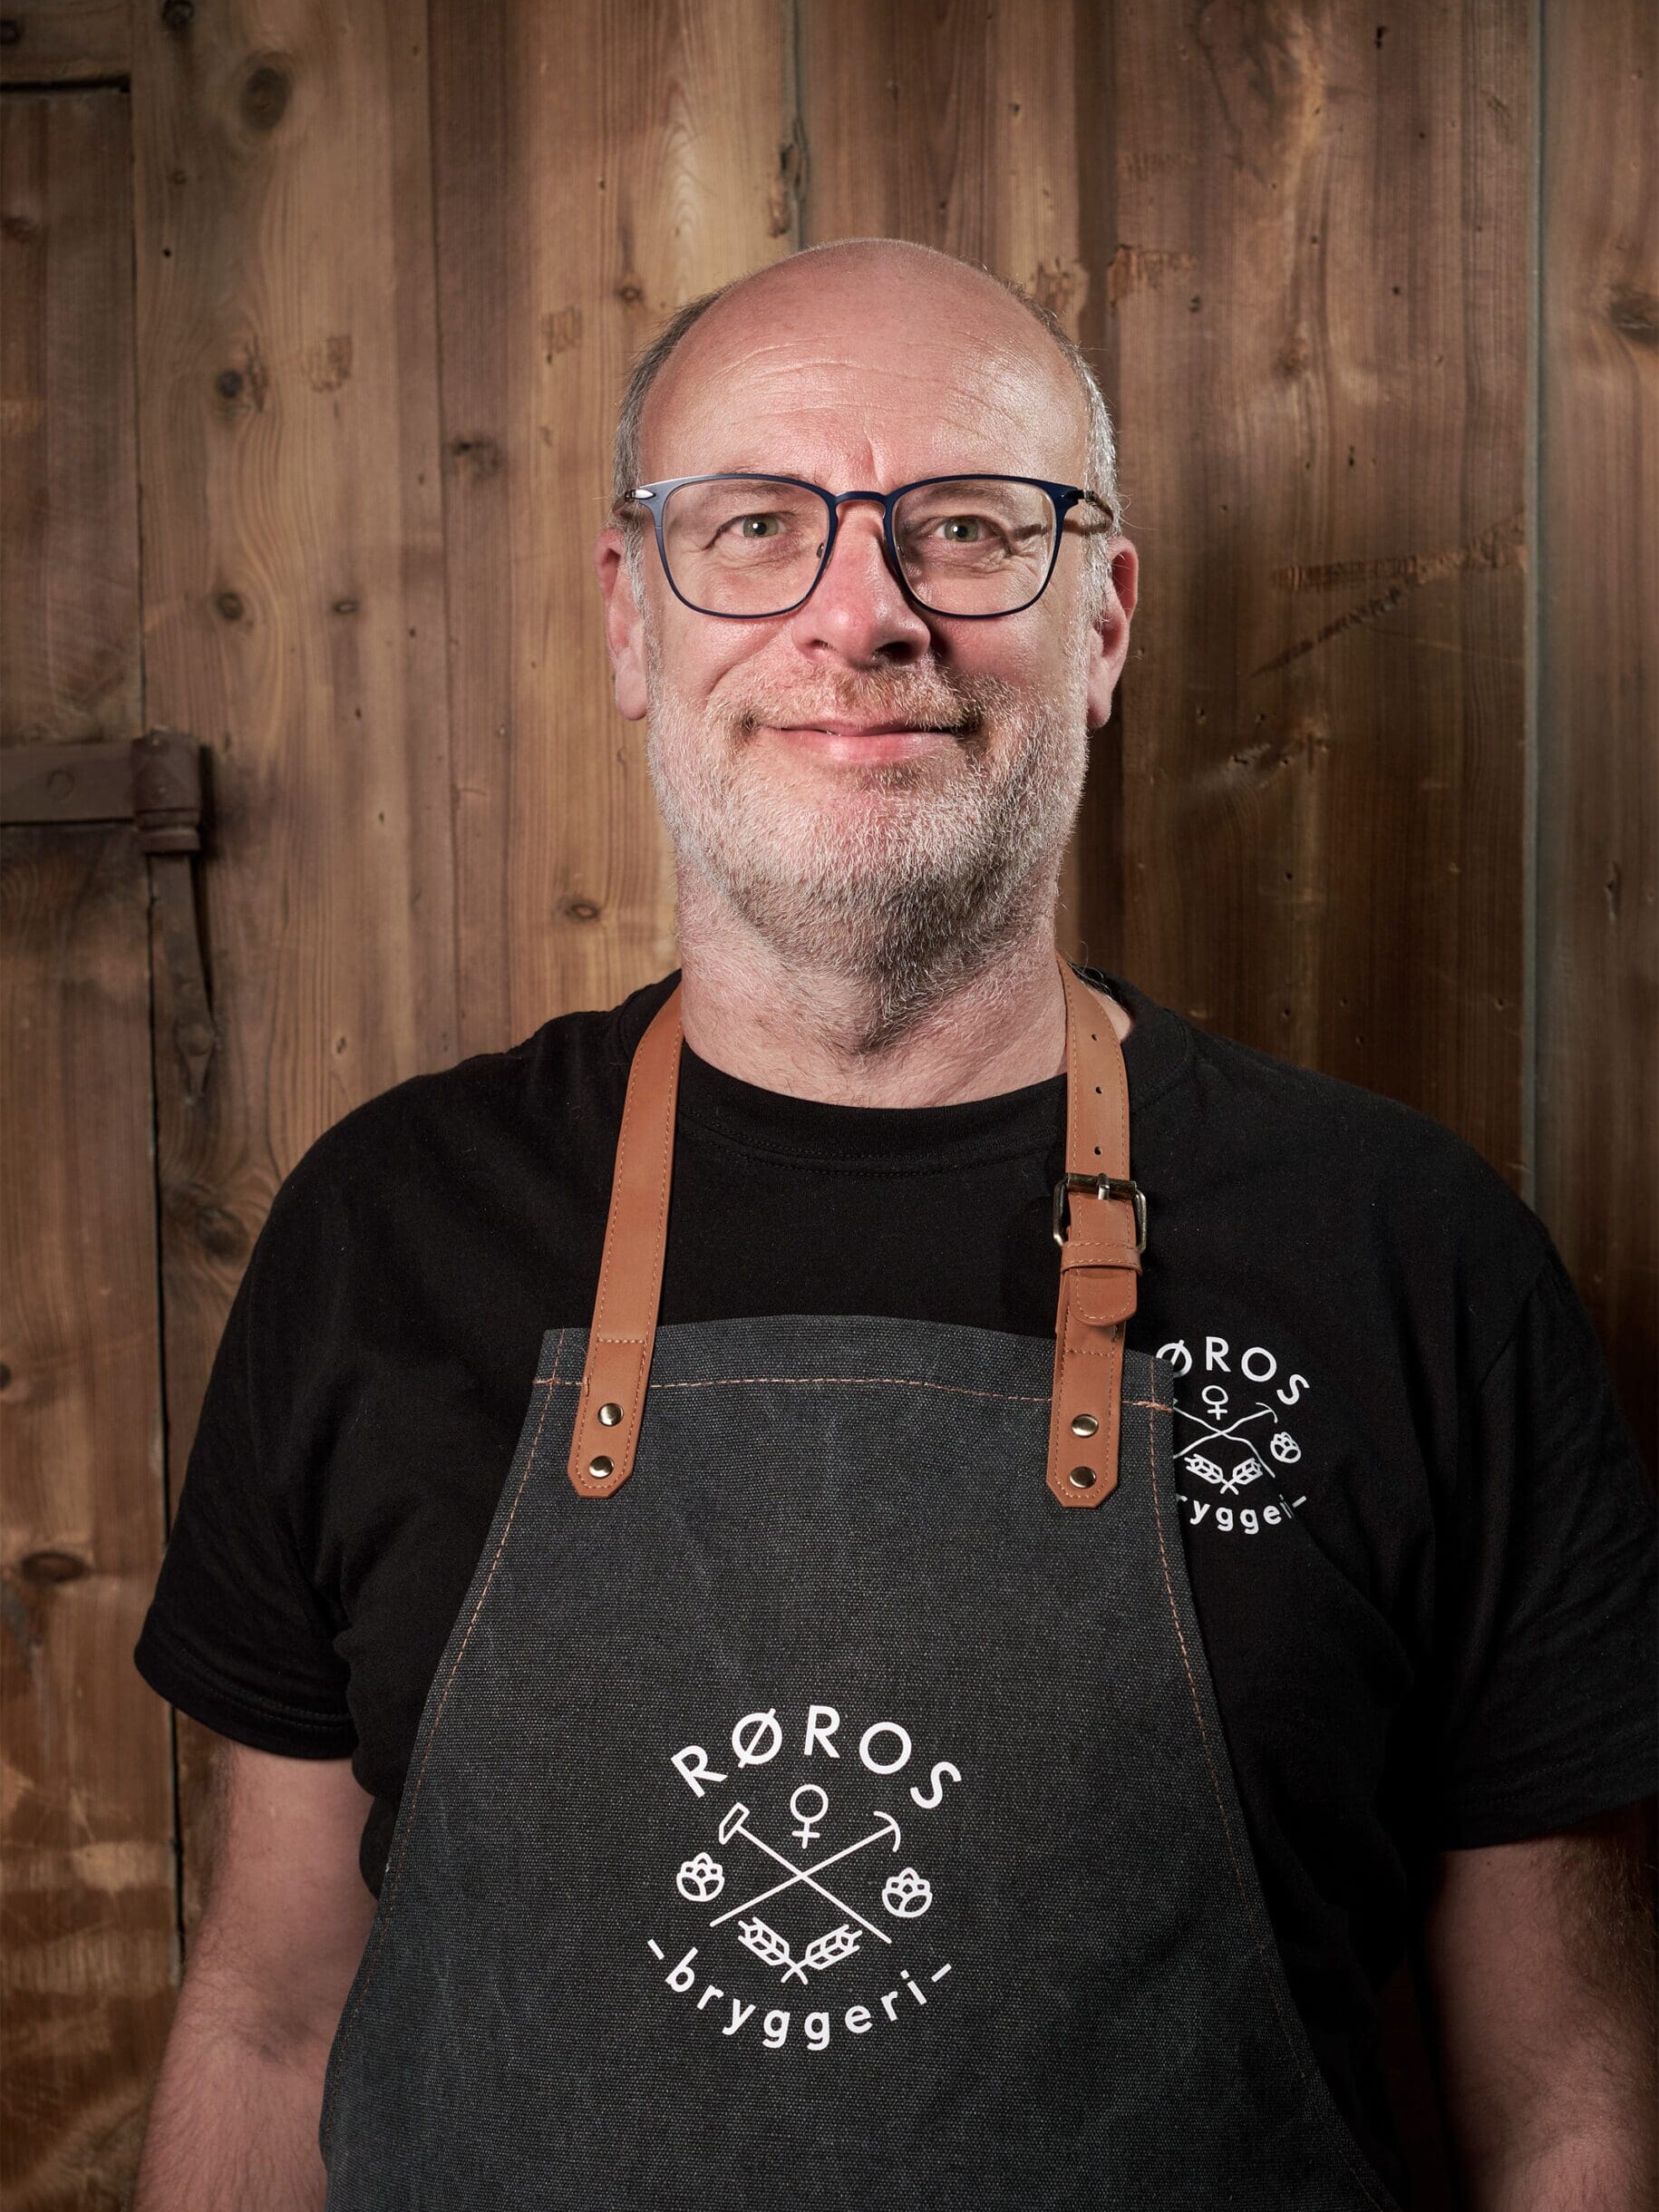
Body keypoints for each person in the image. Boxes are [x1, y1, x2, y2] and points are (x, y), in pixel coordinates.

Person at [131, 238, 1655, 2210]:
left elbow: (1570, 2097)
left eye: (967, 527)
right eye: (755, 526)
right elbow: (272, 2012)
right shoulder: (383, 1228)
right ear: (631, 620)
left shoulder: (1407, 1250)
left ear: (1100, 621)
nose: (864, 615)